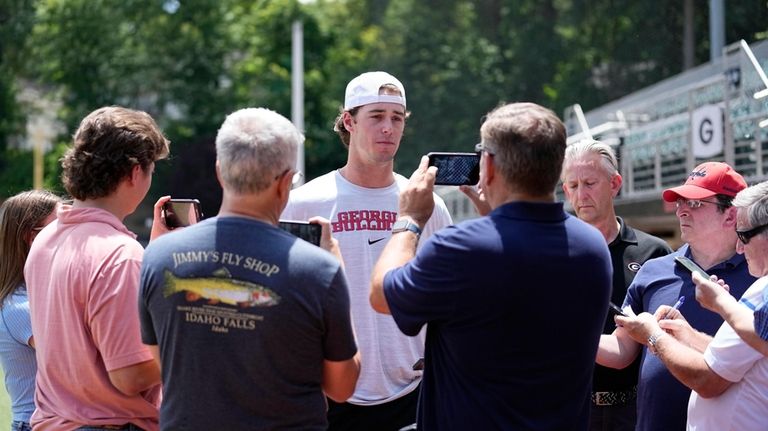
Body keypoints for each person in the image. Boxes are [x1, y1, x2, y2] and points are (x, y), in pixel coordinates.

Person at [370, 102, 613, 430]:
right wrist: (495, 219)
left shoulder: (461, 248)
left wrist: (410, 219)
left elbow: (381, 295)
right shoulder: (592, 247)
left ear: (489, 166)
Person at [139, 107, 360, 430]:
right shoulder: (318, 270)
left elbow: (162, 362)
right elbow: (342, 387)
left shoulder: (157, 256)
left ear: (219, 171)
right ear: (285, 183)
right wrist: (337, 270)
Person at [281, 71, 452, 430]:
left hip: (413, 389)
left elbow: (447, 298)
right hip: (331, 392)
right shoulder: (303, 202)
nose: (388, 128)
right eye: (376, 117)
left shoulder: (427, 204)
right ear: (349, 121)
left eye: (397, 118)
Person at [24, 106, 170, 431]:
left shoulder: (47, 239)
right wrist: (190, 342)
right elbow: (130, 376)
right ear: (134, 172)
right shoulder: (120, 255)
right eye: (151, 170)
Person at [596, 161, 755, 431]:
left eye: (694, 203)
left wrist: (654, 335)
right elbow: (622, 350)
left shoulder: (759, 276)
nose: (680, 210)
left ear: (730, 215)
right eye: (680, 201)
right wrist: (568, 334)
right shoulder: (654, 270)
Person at [561, 139, 671, 430]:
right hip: (569, 408)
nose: (581, 194)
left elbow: (631, 351)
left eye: (590, 183)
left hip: (633, 410)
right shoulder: (552, 252)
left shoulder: (653, 253)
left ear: (614, 183)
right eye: (573, 186)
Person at [0, 190, 61, 431]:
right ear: (30, 237)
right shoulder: (19, 306)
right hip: (37, 424)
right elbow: (74, 358)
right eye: (59, 228)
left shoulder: (34, 294)